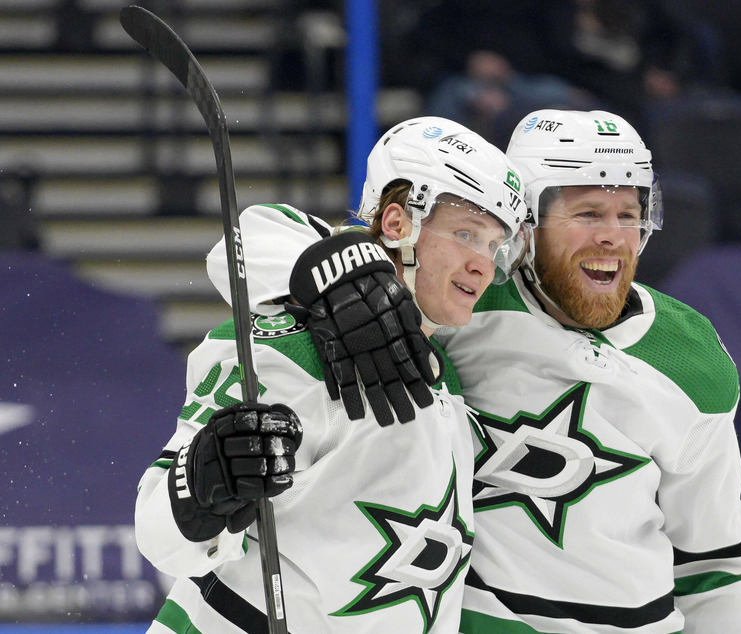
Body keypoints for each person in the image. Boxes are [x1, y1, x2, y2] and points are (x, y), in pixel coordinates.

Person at [211, 109, 741, 632]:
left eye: (629, 214)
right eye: (587, 213)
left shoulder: (693, 360)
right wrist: (338, 279)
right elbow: (248, 242)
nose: (613, 236)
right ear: (526, 229)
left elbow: (715, 567)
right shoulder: (464, 300)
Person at [134, 117, 528, 633]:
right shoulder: (298, 350)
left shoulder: (444, 368)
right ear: (396, 223)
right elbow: (162, 534)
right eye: (464, 234)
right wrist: (203, 487)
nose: (482, 264)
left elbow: (275, 233)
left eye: (494, 245)